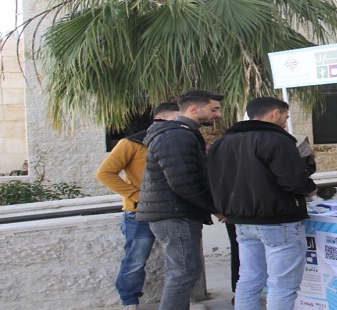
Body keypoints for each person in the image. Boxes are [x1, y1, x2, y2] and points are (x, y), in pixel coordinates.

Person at [207, 97, 318, 310]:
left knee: (249, 280)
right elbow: (293, 178)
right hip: (277, 220)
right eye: (285, 115)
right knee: (282, 285)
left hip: (241, 221)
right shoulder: (276, 139)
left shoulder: (222, 143)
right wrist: (308, 188)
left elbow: (214, 180)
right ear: (275, 113)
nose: (286, 121)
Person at [137, 90, 223, 310]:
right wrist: (215, 208)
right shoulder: (176, 136)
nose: (218, 115)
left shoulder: (182, 134)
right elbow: (184, 183)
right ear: (193, 109)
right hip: (175, 215)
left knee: (183, 272)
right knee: (184, 272)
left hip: (176, 213)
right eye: (213, 109)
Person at [95, 102, 180, 310]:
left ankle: (179, 298)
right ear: (160, 118)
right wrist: (137, 196)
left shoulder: (180, 142)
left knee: (179, 259)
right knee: (135, 260)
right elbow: (104, 173)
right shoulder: (130, 143)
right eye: (177, 119)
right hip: (138, 213)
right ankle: (129, 301)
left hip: (172, 211)